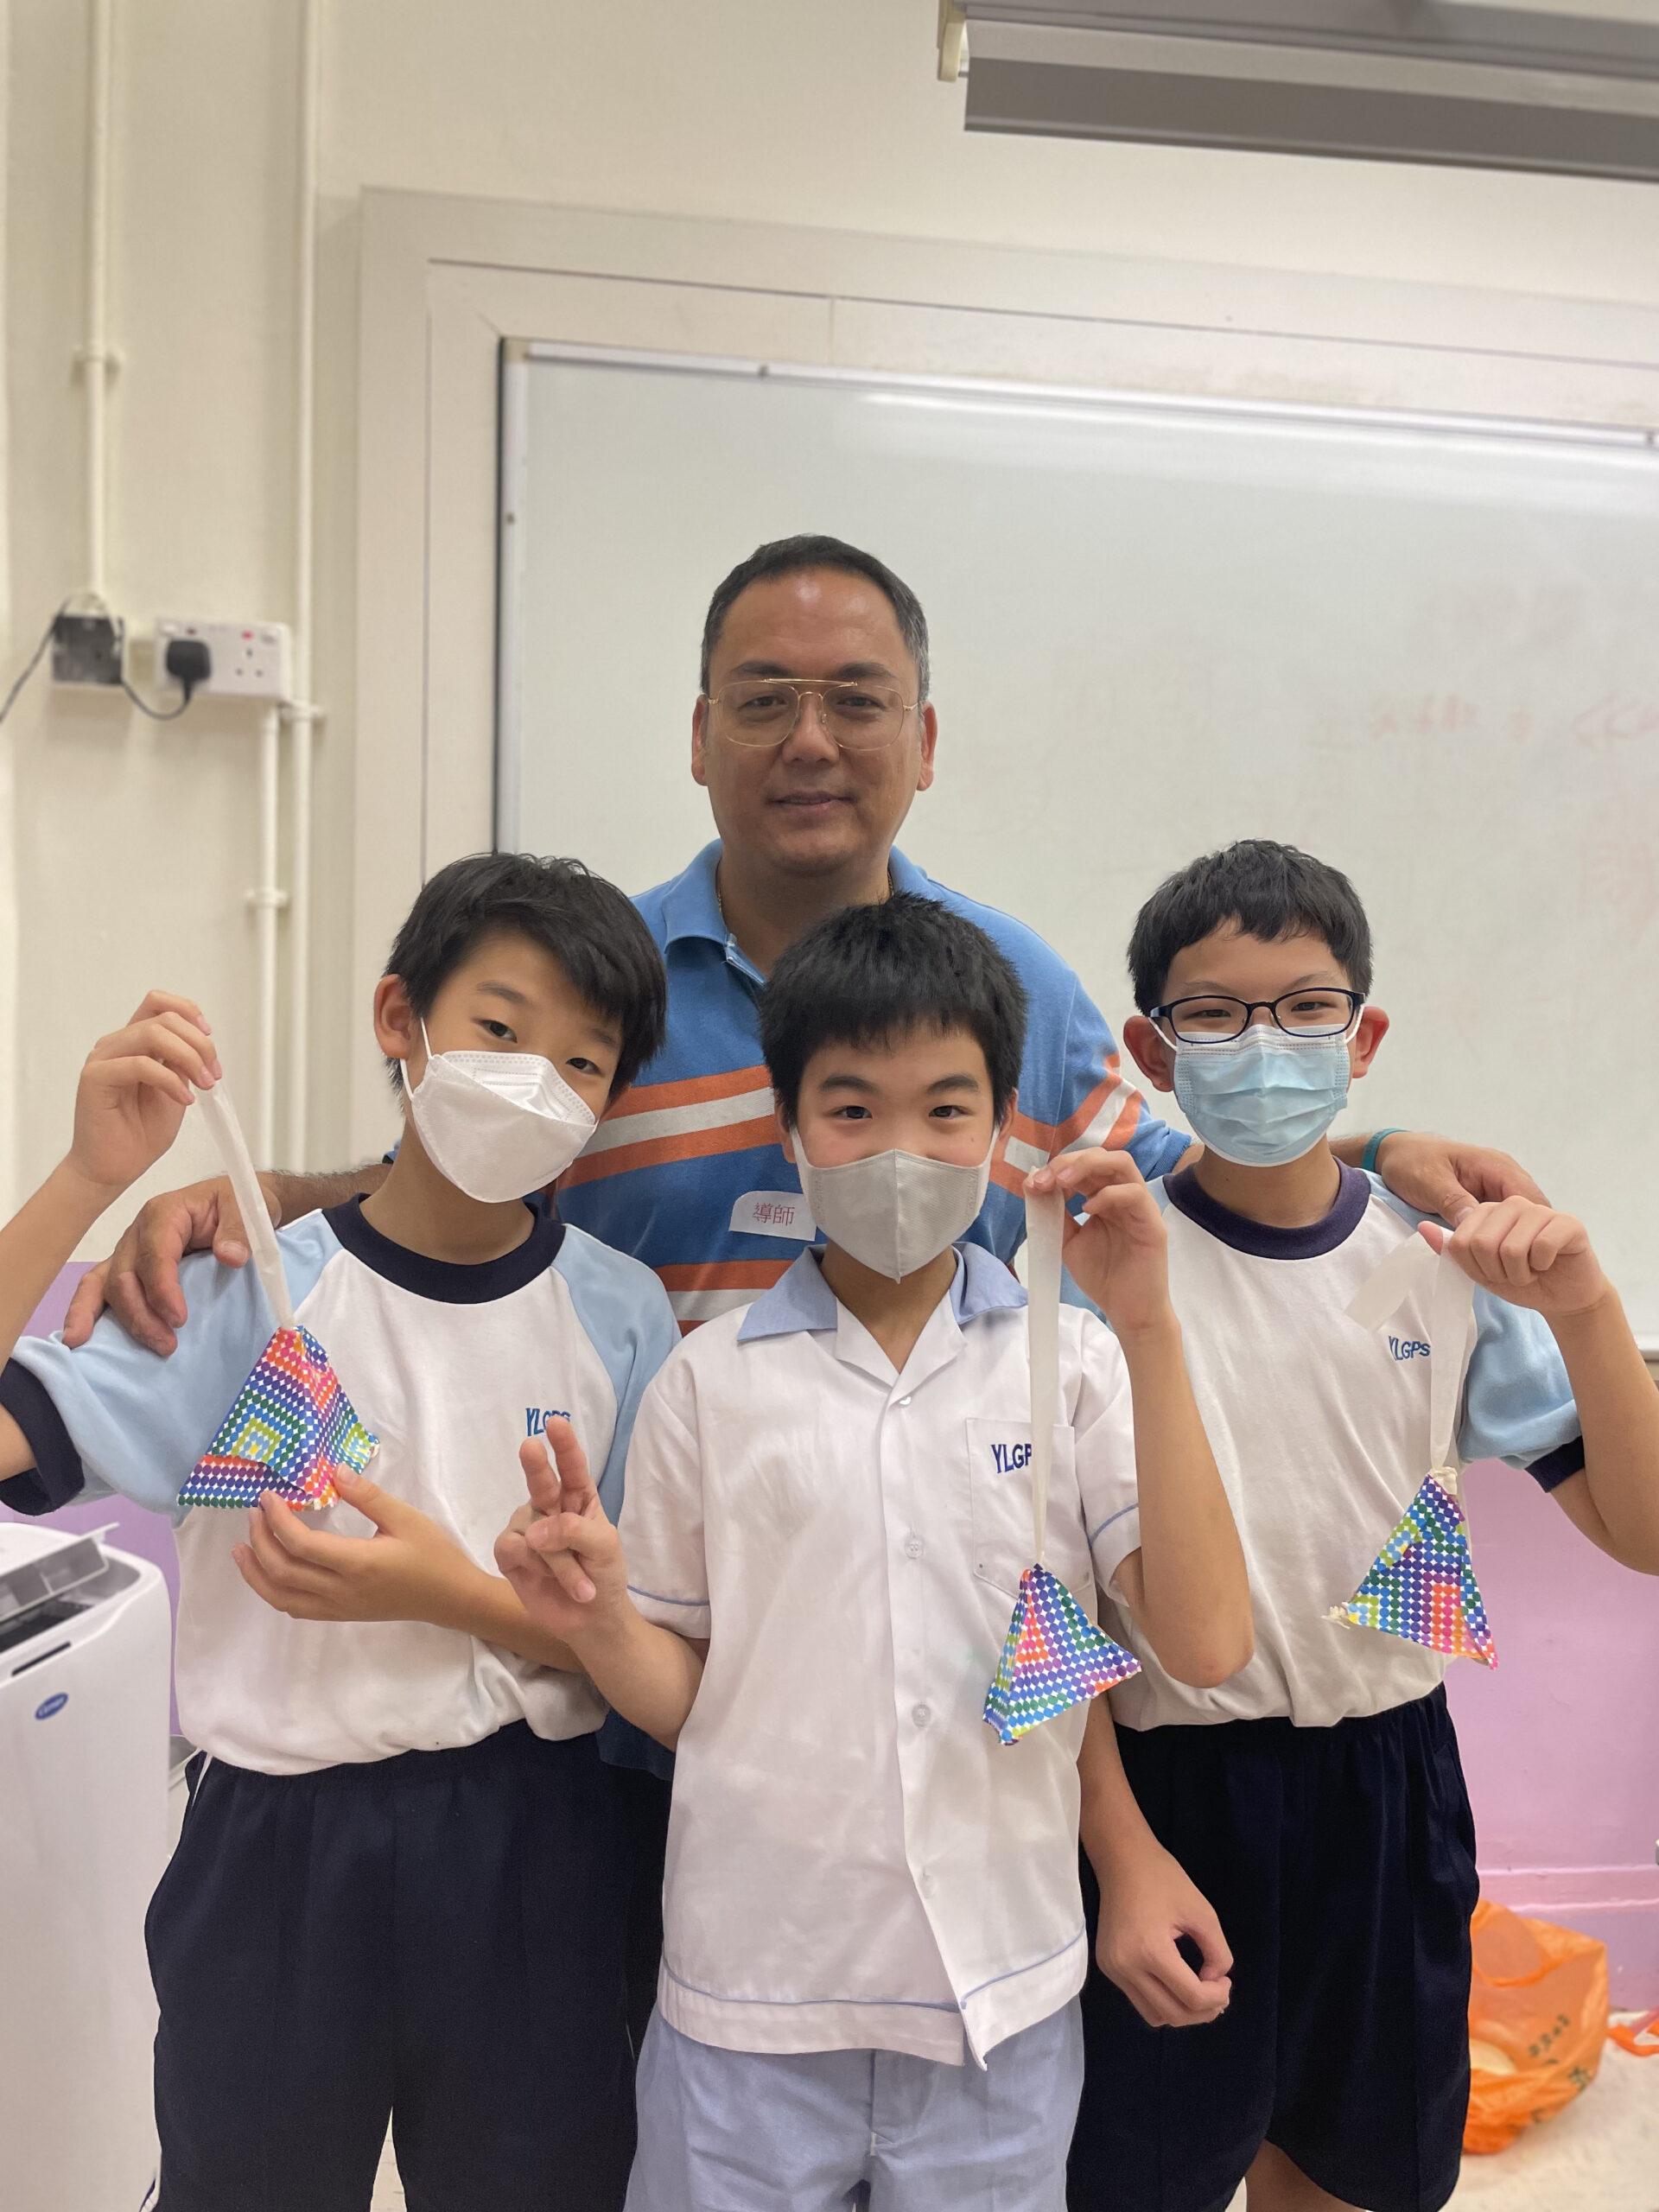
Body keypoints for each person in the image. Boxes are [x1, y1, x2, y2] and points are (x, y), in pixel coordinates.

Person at [57, 532, 1551, 2065]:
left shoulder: (1007, 987)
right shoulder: (609, 989)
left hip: (945, 1702)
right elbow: (460, 1171)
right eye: (765, 700)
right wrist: (252, 1195)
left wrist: (1372, 1145)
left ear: (924, 738)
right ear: (701, 735)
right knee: (636, 2093)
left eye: (858, 699)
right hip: (625, 1674)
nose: (812, 740)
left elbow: (1183, 1176)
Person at [496, 893, 1254, 2212]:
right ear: (790, 1130)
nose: (900, 1149)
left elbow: (1203, 1643)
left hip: (999, 1999)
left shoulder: (1073, 1367)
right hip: (750, 1998)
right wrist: (599, 1618)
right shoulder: (708, 1385)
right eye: (851, 1110)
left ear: (1003, 1127)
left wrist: (1150, 1329)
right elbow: (689, 1700)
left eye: (946, 1110)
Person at [0, 853, 679, 2212]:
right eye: (500, 1030)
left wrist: (453, 1594)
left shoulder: (622, 1314)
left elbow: (645, 1647)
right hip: (275, 1849)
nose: (535, 1083)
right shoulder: (250, 1293)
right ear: (400, 1018)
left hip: (537, 1844)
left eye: (582, 1063)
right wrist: (84, 1177)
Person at [1041, 840, 1659, 2212]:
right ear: (1152, 1050)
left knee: (1356, 2174)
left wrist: (1589, 1309)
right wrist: (1118, 1848)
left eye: (1306, 1009)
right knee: (1136, 2174)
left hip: (1387, 1787)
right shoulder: (1102, 1269)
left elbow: (1645, 1530)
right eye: (1215, 1015)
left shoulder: (1440, 1261)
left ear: (1363, 1038)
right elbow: (1051, 1605)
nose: (1265, 1045)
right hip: (1165, 1789)